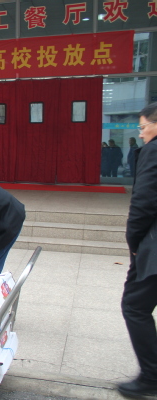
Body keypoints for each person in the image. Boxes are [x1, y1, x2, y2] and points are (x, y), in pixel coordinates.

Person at [118, 103, 157, 398]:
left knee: (134, 306)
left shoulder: (154, 151)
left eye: (143, 127)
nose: (141, 135)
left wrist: (134, 245)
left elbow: (144, 202)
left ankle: (152, 376)